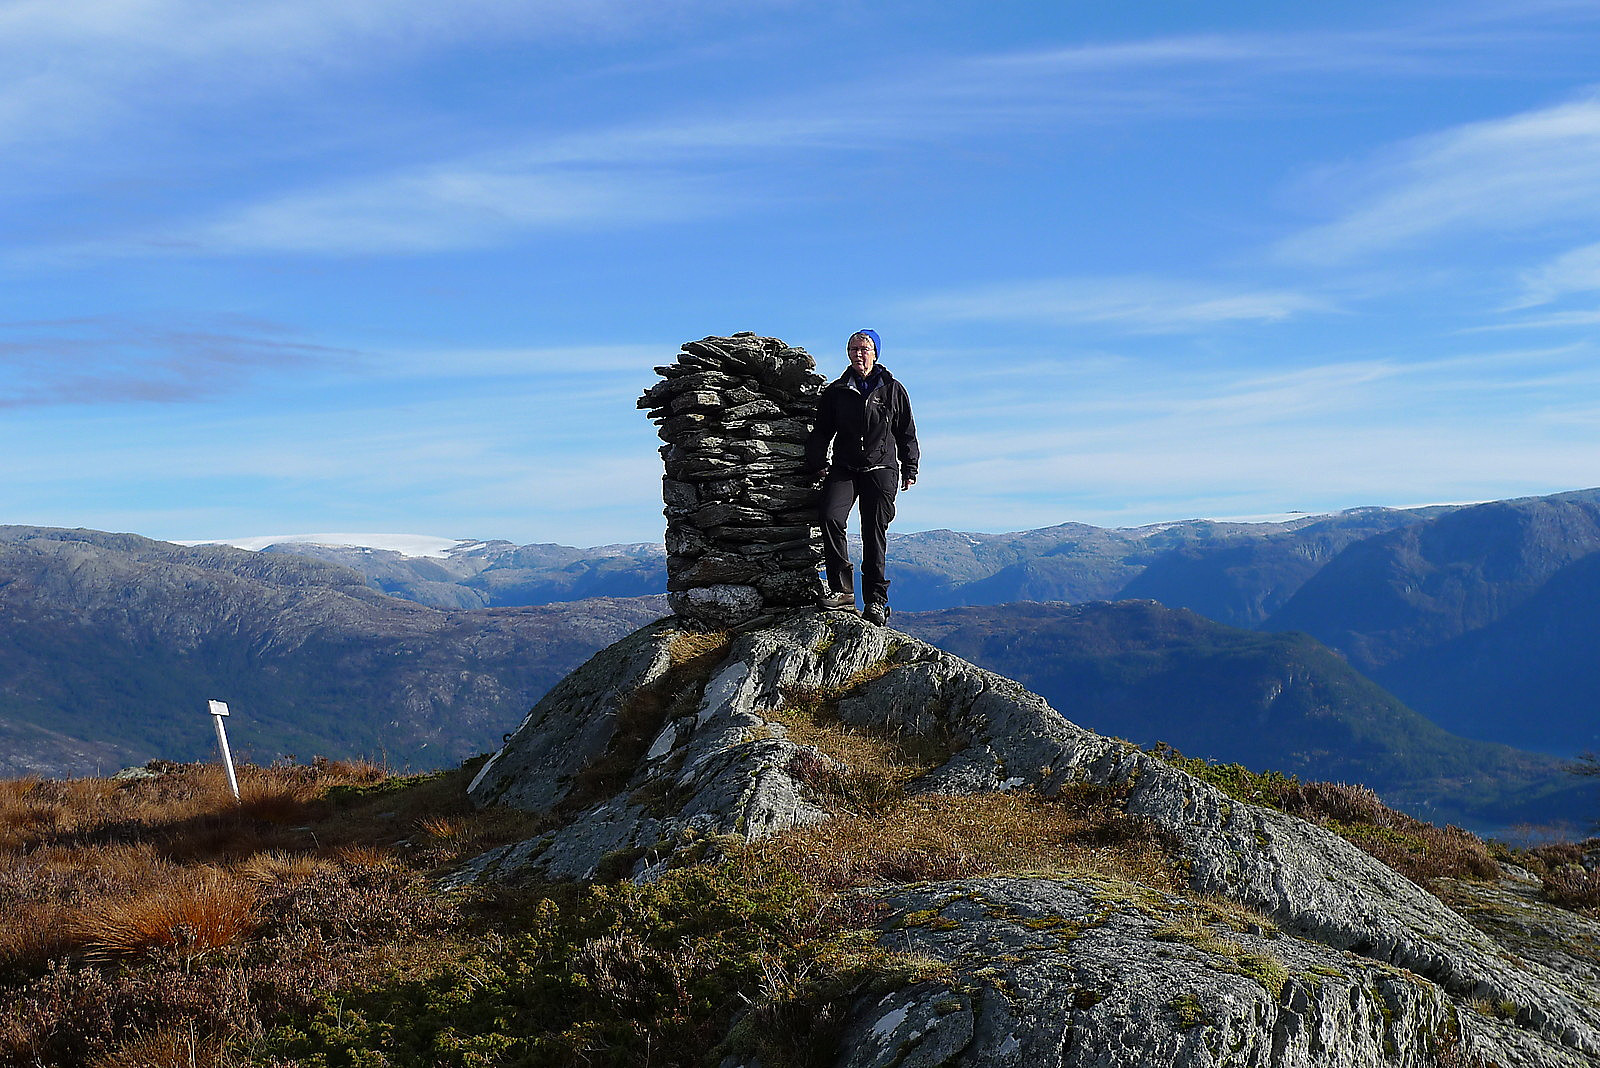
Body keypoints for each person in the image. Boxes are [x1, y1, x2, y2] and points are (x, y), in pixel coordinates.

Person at [804, 329, 919, 626]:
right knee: (830, 517)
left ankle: (876, 602)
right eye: (853, 348)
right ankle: (842, 591)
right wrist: (817, 462)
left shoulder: (892, 389)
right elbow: (822, 431)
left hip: (881, 468)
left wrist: (910, 468)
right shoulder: (837, 391)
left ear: (876, 353)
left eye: (864, 349)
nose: (858, 354)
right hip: (845, 466)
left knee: (873, 532)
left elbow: (906, 432)